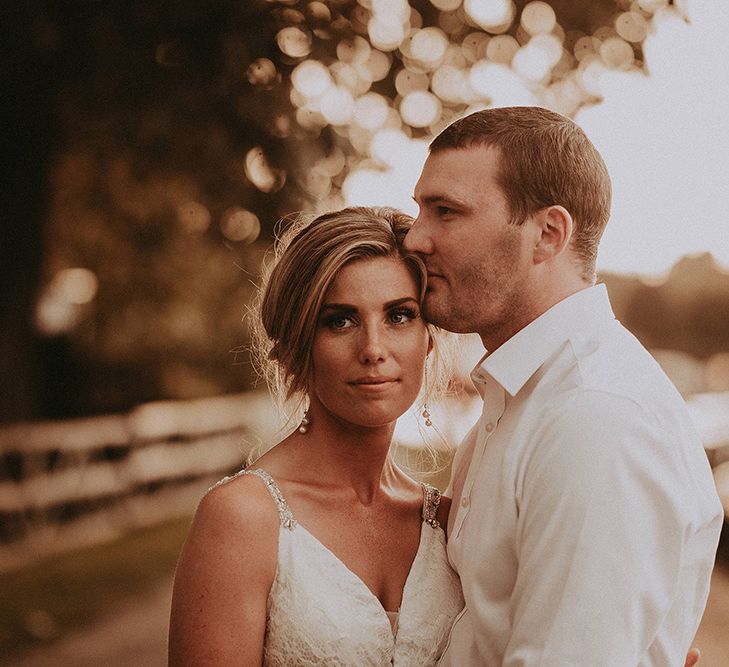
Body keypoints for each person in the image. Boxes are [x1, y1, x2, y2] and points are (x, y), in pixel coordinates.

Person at [405, 105, 724, 665]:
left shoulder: (594, 416)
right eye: (420, 210)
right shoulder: (519, 399)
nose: (415, 239)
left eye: (445, 212)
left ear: (548, 234)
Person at [168, 207, 464, 665]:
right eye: (339, 320)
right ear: (294, 346)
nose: (373, 349)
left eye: (399, 316)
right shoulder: (241, 518)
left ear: (428, 338)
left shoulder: (447, 522)